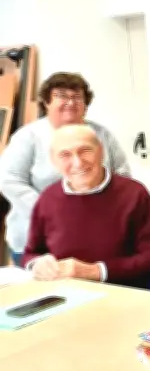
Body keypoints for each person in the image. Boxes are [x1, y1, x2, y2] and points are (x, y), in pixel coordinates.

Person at [0, 72, 129, 266]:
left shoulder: (101, 134)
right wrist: (52, 210)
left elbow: (122, 175)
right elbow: (9, 180)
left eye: (77, 97)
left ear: (85, 104)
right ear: (47, 102)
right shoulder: (28, 136)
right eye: (61, 96)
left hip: (96, 235)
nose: (70, 102)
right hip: (38, 241)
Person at [23, 125, 150, 288]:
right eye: (65, 155)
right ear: (54, 161)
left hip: (125, 293)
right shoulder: (48, 198)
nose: (78, 163)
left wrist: (97, 271)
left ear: (101, 151)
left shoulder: (134, 193)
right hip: (63, 293)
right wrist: (37, 264)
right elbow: (31, 253)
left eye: (85, 151)